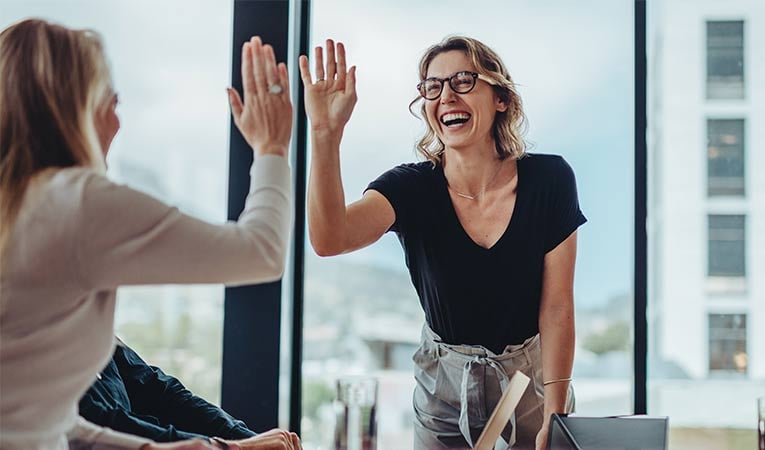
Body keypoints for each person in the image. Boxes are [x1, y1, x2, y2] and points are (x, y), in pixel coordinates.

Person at [0, 19, 298, 450]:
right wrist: (272, 147)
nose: (117, 123)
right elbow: (262, 252)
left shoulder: (19, 207)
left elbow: (51, 423)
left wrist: (217, 447)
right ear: (71, 106)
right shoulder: (76, 203)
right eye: (110, 101)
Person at [299, 36, 586, 450]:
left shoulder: (551, 180)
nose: (446, 95)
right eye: (432, 87)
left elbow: (557, 306)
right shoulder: (410, 188)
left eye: (463, 81)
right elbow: (329, 239)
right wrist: (325, 135)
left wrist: (555, 413)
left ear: (501, 98)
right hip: (443, 389)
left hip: (532, 384)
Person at [80, 338, 299, 449]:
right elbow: (98, 426)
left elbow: (158, 391)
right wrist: (232, 448)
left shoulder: (88, 319)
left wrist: (245, 437)